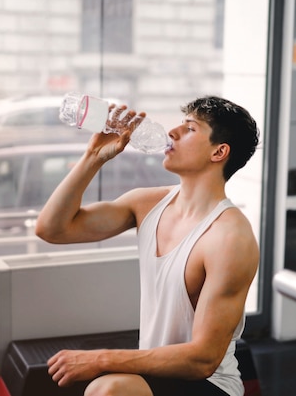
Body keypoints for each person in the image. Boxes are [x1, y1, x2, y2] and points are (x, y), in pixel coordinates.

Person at [35, 95, 260, 396]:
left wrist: (101, 359)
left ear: (219, 152)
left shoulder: (230, 237)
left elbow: (203, 360)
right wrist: (93, 157)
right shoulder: (146, 203)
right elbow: (53, 229)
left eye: (190, 129)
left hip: (209, 384)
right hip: (160, 372)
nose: (172, 133)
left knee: (109, 388)